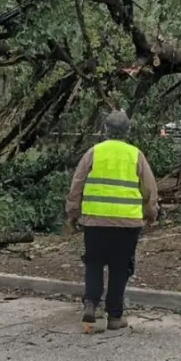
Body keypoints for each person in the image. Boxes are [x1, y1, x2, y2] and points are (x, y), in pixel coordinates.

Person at [65, 110, 159, 331]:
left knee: (94, 263)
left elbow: (77, 184)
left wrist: (73, 213)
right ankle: (115, 317)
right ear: (127, 131)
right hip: (127, 224)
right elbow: (149, 189)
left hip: (95, 222)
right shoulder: (136, 155)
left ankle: (90, 304)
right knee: (120, 268)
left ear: (105, 130)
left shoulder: (93, 153)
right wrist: (151, 213)